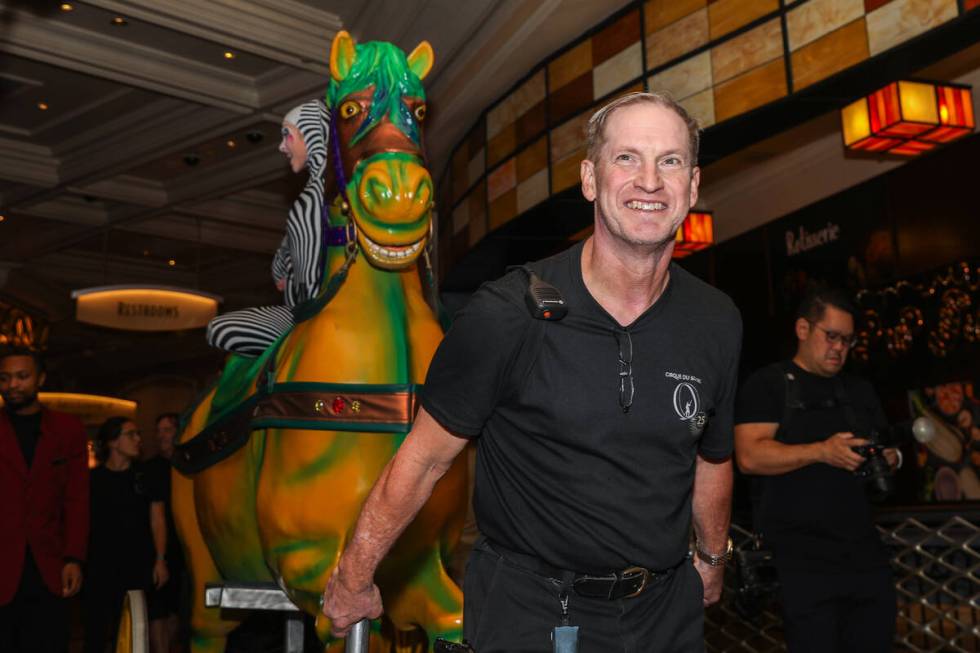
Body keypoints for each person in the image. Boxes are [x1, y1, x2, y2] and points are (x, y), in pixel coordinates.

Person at [321, 92, 742, 651]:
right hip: (532, 610)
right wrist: (354, 575)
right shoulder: (507, 312)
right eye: (627, 158)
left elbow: (712, 456)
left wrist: (712, 559)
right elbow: (423, 461)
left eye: (669, 161)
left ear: (691, 187)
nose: (649, 180)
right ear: (590, 180)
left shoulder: (716, 319)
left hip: (664, 615)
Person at [734, 288, 898, 652]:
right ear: (803, 329)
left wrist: (892, 459)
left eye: (848, 340)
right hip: (801, 560)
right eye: (832, 336)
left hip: (864, 554)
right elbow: (749, 457)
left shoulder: (859, 390)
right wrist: (822, 452)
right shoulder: (769, 385)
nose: (840, 347)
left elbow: (885, 448)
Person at [206, 99, 331, 356]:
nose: (282, 146)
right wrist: (284, 261)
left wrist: (286, 269)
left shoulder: (311, 199)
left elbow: (308, 284)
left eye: (289, 136)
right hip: (319, 310)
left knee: (219, 329)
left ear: (312, 135)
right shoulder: (326, 194)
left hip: (306, 316)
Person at [0, 348, 89, 653]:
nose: (12, 385)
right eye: (5, 378)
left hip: (49, 564)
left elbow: (76, 499)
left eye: (22, 377)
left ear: (40, 379)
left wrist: (74, 557)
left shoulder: (67, 430)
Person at [84, 417, 169, 653]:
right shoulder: (92, 480)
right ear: (113, 442)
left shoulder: (146, 477)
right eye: (131, 434)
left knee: (135, 629)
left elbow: (158, 519)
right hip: (100, 566)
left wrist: (160, 559)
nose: (138, 440)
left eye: (138, 434)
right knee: (97, 630)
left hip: (137, 565)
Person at [145, 413, 186, 653]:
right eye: (158, 431)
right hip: (159, 547)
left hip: (184, 547)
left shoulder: (188, 465)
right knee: (158, 608)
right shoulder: (150, 468)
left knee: (178, 609)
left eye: (167, 430)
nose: (161, 436)